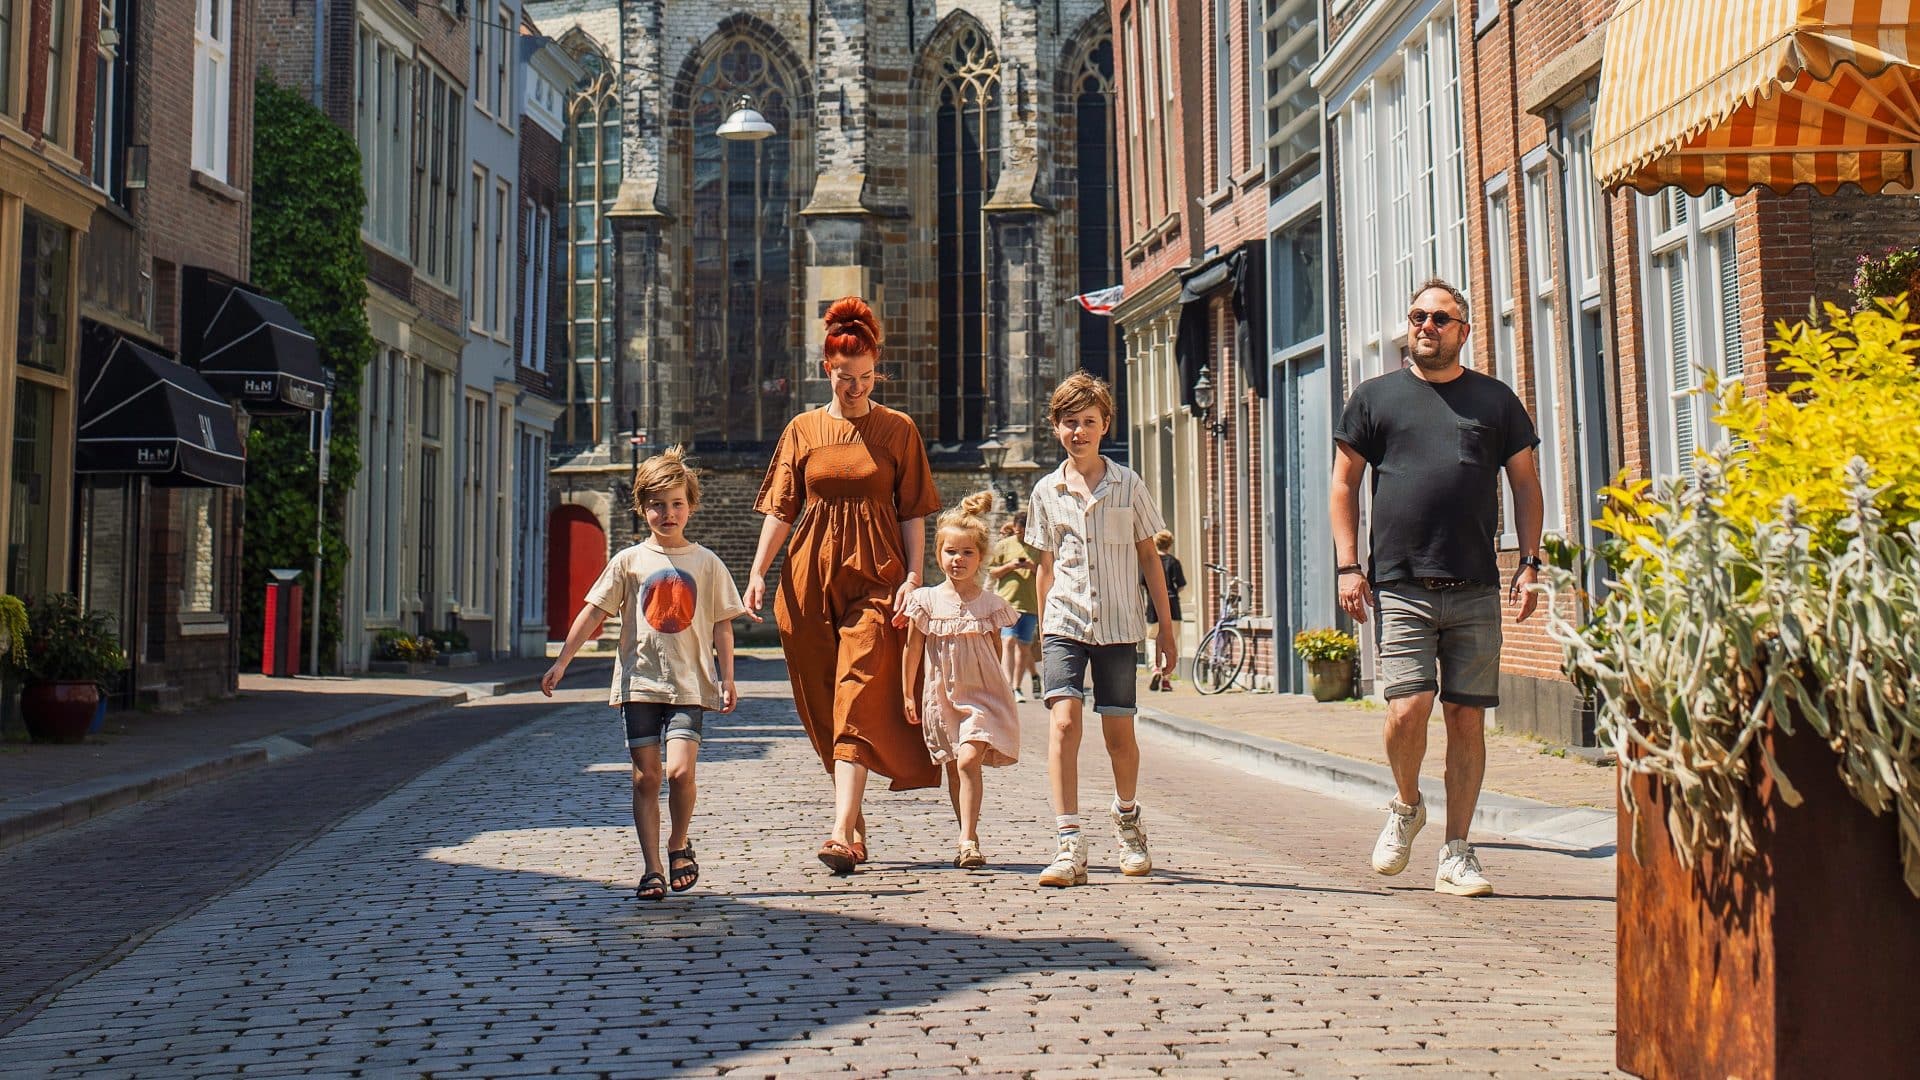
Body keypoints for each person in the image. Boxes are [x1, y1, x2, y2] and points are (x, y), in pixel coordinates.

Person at [1329, 277, 1545, 898]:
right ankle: (1404, 804)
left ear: (1463, 332)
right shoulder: (1374, 399)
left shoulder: (1496, 402)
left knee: (1466, 720)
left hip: (1476, 582)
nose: (1425, 326)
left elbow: (1526, 485)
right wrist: (1350, 566)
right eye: (1417, 316)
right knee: (1407, 708)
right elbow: (1344, 484)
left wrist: (1529, 563)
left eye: (1439, 319)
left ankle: (1458, 849)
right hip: (1400, 582)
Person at [744, 296, 943, 876]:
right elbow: (782, 508)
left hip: (877, 577)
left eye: (865, 376)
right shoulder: (802, 429)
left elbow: (913, 512)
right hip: (809, 576)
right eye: (843, 376)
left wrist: (913, 577)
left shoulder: (897, 430)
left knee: (858, 688)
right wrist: (758, 571)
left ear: (877, 370)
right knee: (822, 698)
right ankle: (851, 816)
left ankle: (839, 832)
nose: (855, 387)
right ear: (824, 371)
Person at [542, 448, 746, 900]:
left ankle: (678, 843)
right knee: (645, 777)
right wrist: (562, 661)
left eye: (676, 504)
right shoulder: (629, 561)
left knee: (679, 773)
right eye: (657, 504)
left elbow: (722, 624)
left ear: (691, 505)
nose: (667, 513)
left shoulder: (707, 562)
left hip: (691, 685)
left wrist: (727, 677)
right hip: (640, 684)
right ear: (642, 508)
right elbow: (594, 611)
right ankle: (652, 867)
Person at [1025, 372, 1177, 887]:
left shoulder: (1128, 484)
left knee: (1119, 735)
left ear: (1105, 425)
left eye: (1088, 422)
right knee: (1064, 722)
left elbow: (1149, 559)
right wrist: (1042, 629)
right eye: (1070, 423)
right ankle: (1069, 842)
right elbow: (1046, 567)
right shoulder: (1045, 491)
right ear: (1056, 428)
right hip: (1064, 622)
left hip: (1119, 626)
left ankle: (1127, 819)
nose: (1079, 432)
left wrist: (1166, 631)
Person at [899, 492, 1022, 869]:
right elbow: (912, 649)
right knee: (956, 766)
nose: (959, 560)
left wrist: (1000, 690)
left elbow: (995, 651)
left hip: (982, 695)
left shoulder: (990, 604)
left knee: (969, 759)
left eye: (968, 553)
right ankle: (966, 835)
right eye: (951, 552)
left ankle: (968, 839)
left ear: (981, 558)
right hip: (943, 695)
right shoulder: (926, 601)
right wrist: (907, 693)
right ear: (938, 554)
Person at [986, 511, 1041, 702]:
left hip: (1030, 604)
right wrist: (1011, 566)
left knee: (1024, 648)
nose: (1021, 535)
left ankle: (1017, 687)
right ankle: (1008, 685)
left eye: (1024, 532)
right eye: (1018, 532)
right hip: (1007, 603)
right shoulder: (1003, 546)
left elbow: (1047, 573)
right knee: (1008, 642)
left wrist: (1032, 567)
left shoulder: (1038, 548)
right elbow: (992, 572)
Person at [1144, 530, 1186, 691]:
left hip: (1153, 608)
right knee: (1172, 642)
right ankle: (1167, 680)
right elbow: (1181, 585)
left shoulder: (1150, 561)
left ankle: (1155, 668)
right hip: (1173, 607)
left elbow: (1143, 583)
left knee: (1151, 639)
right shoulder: (1174, 562)